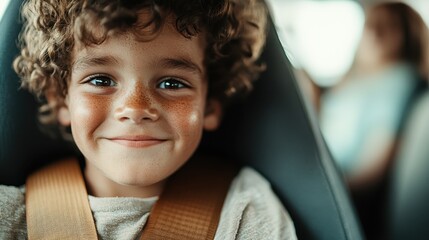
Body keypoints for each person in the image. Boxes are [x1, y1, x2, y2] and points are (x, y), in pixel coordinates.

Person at [0, 0, 297, 239]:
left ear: (210, 106)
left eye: (172, 84)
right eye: (101, 80)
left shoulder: (246, 213)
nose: (135, 107)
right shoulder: (10, 216)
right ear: (59, 97)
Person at [320, 2, 428, 190]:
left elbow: (373, 168)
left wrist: (332, 190)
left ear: (410, 37)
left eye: (391, 25)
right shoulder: (356, 81)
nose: (374, 31)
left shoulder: (398, 80)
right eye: (370, 23)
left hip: (340, 185)